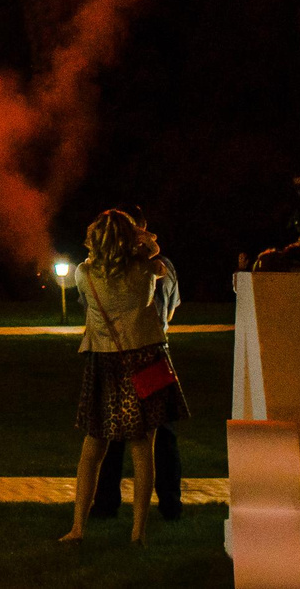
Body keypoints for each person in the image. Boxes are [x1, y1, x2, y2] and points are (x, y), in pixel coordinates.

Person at [59, 208, 188, 546]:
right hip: (145, 359)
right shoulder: (146, 269)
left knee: (92, 450)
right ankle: (138, 532)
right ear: (129, 239)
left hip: (104, 362)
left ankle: (77, 528)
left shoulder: (84, 275)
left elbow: (93, 264)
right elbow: (156, 256)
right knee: (143, 449)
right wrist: (142, 239)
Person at [92, 207, 183, 522]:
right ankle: (171, 504)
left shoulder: (111, 269)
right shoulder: (162, 267)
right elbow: (169, 312)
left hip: (121, 358)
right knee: (162, 434)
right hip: (156, 354)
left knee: (114, 434)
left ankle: (106, 504)